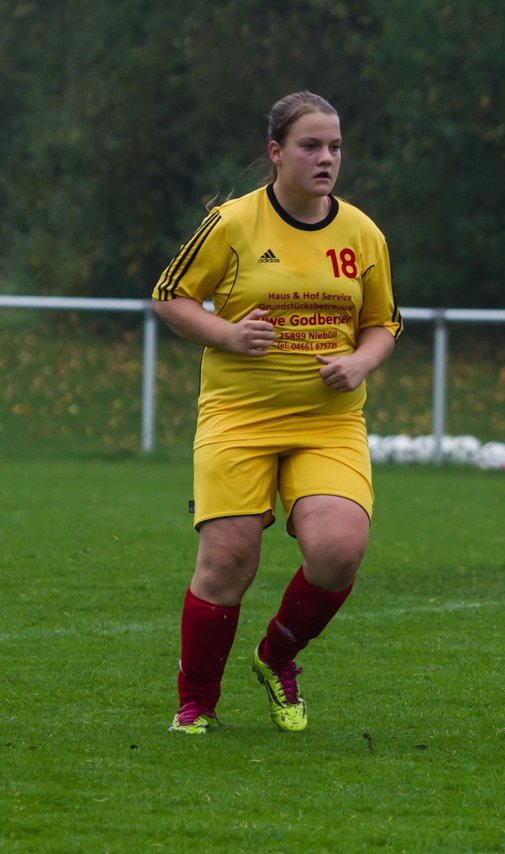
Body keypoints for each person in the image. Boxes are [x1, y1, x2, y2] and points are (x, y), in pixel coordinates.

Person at [152, 91, 402, 734]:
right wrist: (228, 334)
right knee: (229, 561)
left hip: (329, 422)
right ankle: (196, 703)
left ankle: (277, 657)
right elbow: (170, 297)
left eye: (335, 147)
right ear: (276, 152)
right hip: (239, 417)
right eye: (310, 146)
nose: (326, 158)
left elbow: (383, 325)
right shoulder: (232, 223)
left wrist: (361, 363)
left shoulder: (362, 232)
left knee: (340, 548)